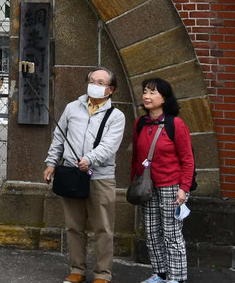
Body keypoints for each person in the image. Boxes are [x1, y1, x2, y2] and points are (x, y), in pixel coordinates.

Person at [44, 67, 126, 283]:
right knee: (74, 226)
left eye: (100, 82)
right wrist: (52, 163)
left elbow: (110, 146)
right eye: (92, 80)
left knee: (103, 228)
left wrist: (89, 159)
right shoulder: (72, 108)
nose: (94, 85)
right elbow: (58, 137)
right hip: (72, 174)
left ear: (110, 89)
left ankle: (103, 274)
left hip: (101, 178)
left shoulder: (116, 116)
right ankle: (77, 270)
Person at [132, 78, 194, 283]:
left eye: (153, 93)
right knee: (151, 231)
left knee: (171, 233)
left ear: (164, 98)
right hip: (147, 186)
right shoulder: (141, 122)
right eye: (145, 92)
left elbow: (187, 159)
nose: (146, 96)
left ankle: (176, 278)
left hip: (171, 185)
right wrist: (135, 182)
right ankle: (160, 273)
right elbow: (135, 157)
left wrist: (184, 188)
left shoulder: (175, 123)